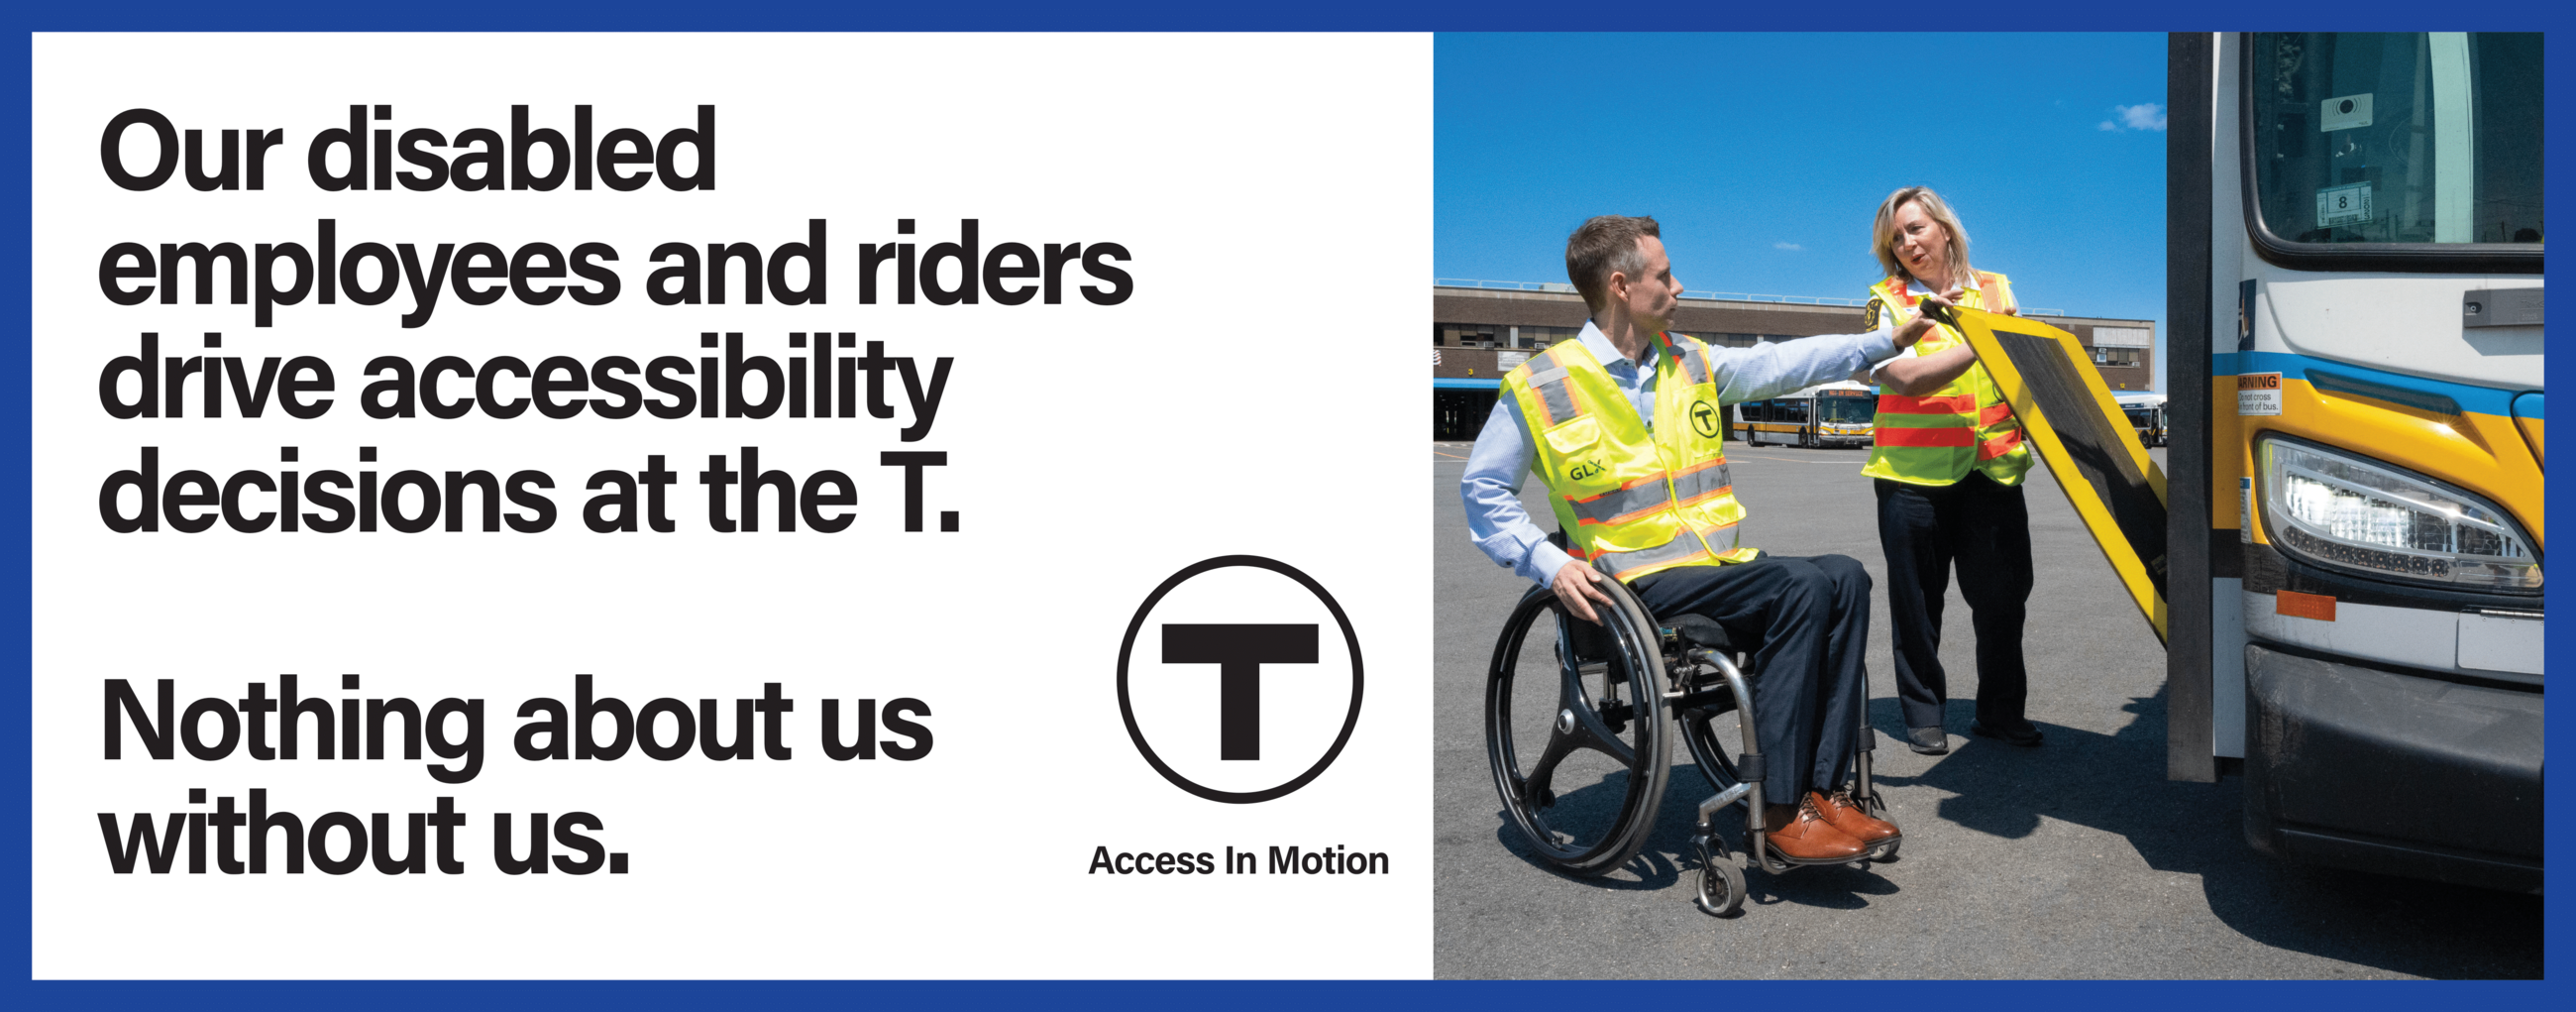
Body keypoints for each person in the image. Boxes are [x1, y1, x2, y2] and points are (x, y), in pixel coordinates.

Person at [1459, 215, 1978, 862]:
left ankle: (1823, 790)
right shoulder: (1542, 383)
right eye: (1665, 273)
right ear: (1621, 285)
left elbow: (1783, 363)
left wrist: (1888, 338)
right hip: (1635, 587)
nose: (1679, 284)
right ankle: (1781, 809)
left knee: (1845, 574)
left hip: (1716, 565)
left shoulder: (1690, 361)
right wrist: (1548, 561)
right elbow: (1482, 489)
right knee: (1800, 586)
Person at [1857, 186, 2043, 754]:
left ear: (1943, 227)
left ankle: (2001, 713)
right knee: (1918, 605)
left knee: (2004, 601)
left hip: (1993, 471)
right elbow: (1907, 379)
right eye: (1897, 238)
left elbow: (2028, 364)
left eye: (1915, 228)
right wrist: (1989, 338)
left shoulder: (1997, 288)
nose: (1908, 243)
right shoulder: (1885, 304)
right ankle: (1924, 713)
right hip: (1913, 478)